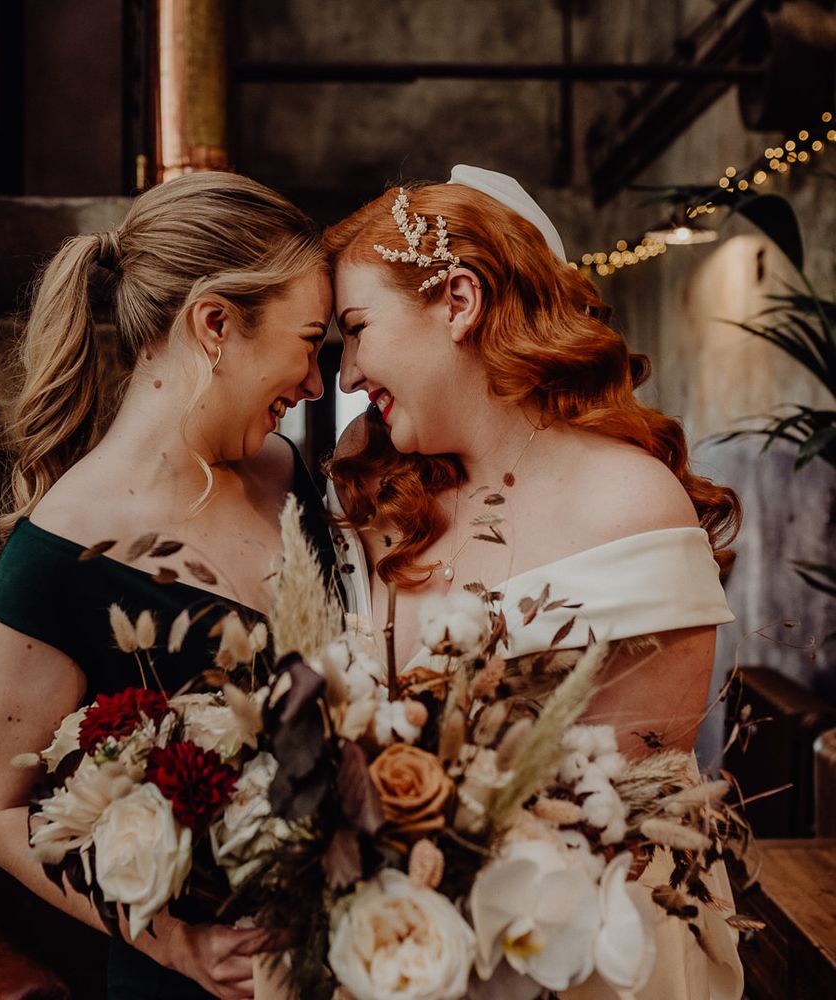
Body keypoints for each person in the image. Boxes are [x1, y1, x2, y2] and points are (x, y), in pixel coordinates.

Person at [325, 166, 744, 999]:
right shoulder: (377, 495)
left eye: (357, 328)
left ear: (458, 301)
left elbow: (638, 804)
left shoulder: (630, 502)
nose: (343, 374)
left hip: (588, 948)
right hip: (399, 945)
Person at [0, 171, 337, 1000]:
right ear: (214, 324)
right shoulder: (54, 556)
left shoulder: (285, 473)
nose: (317, 383)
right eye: (309, 340)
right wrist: (172, 943)